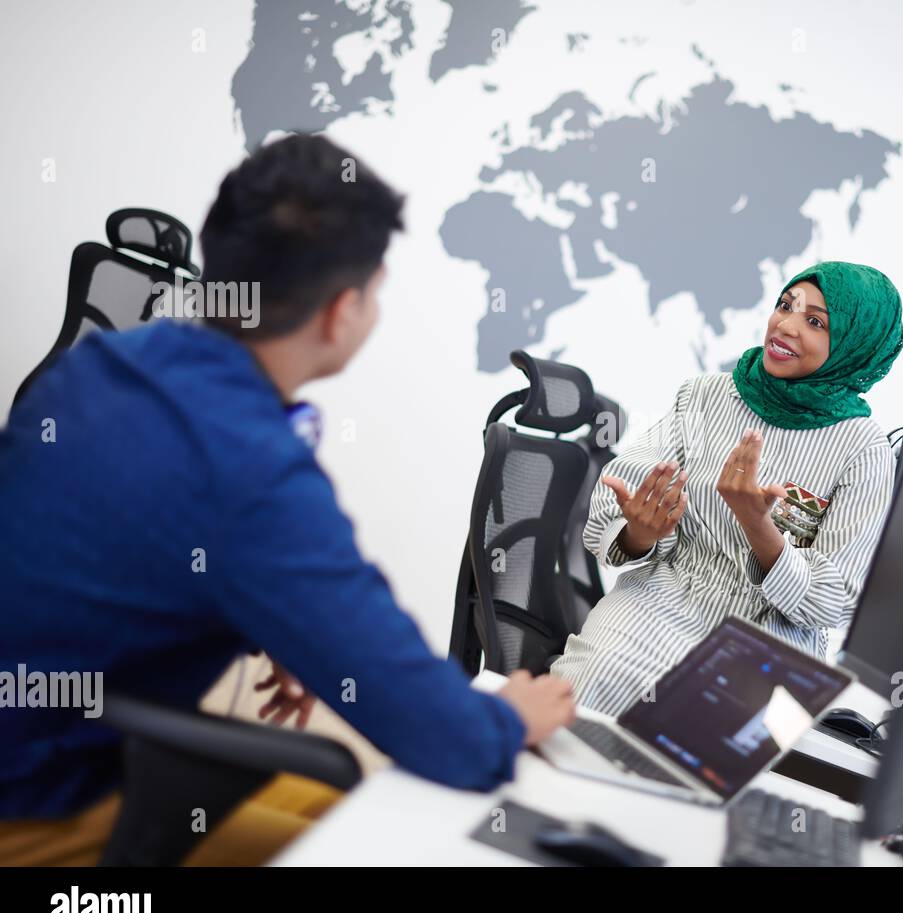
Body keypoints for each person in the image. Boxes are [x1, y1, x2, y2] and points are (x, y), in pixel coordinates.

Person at [0, 133, 575, 865]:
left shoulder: (105, 364)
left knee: (322, 801)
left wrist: (270, 622)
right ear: (342, 313)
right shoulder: (251, 468)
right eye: (374, 292)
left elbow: (123, 548)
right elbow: (447, 739)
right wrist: (508, 718)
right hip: (38, 812)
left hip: (45, 741)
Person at [550, 261, 903, 715]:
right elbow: (617, 505)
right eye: (785, 305)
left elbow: (833, 602)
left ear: (856, 348)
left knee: (714, 750)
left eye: (815, 322)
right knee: (584, 693)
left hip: (773, 642)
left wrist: (760, 528)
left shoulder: (863, 449)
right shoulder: (703, 396)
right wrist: (640, 530)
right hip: (662, 600)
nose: (786, 325)